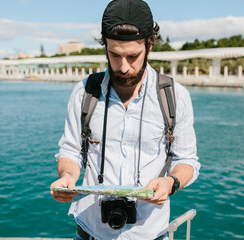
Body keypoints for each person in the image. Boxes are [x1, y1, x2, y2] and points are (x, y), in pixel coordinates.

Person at [50, 0, 201, 239]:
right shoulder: (84, 92)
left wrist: (171, 182)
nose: (123, 67)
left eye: (133, 56)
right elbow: (70, 150)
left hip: (151, 234)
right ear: (105, 47)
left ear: (149, 46)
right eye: (114, 55)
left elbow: (187, 160)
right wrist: (67, 176)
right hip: (90, 232)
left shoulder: (174, 96)